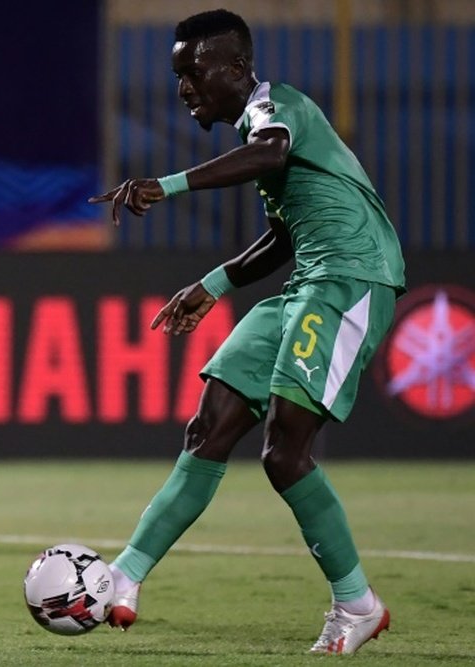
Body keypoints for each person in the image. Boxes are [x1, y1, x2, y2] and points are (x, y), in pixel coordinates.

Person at [89, 9, 405, 655]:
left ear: (236, 68)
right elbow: (288, 234)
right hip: (306, 283)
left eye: (193, 72)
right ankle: (125, 574)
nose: (184, 88)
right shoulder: (259, 127)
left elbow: (272, 150)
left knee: (285, 451)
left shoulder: (277, 111)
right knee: (211, 425)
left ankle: (358, 604)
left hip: (350, 278)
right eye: (178, 75)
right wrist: (213, 284)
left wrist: (165, 185)